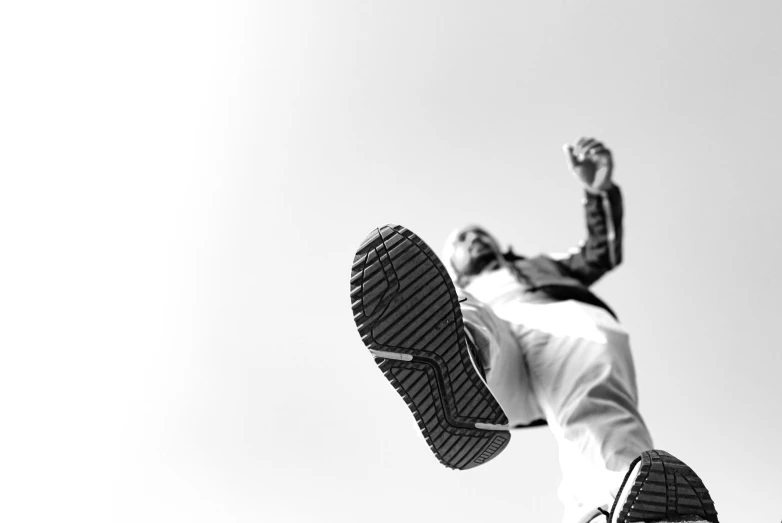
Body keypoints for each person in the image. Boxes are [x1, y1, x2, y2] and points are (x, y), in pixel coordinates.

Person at [349, 137, 718, 523]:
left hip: (560, 329)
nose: (474, 237)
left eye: (480, 233)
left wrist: (599, 191)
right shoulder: (462, 287)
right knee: (462, 306)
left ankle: (616, 508)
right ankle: (460, 369)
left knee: (594, 416)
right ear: (454, 264)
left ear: (498, 245)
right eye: (461, 239)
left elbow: (600, 252)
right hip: (496, 357)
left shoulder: (538, 265)